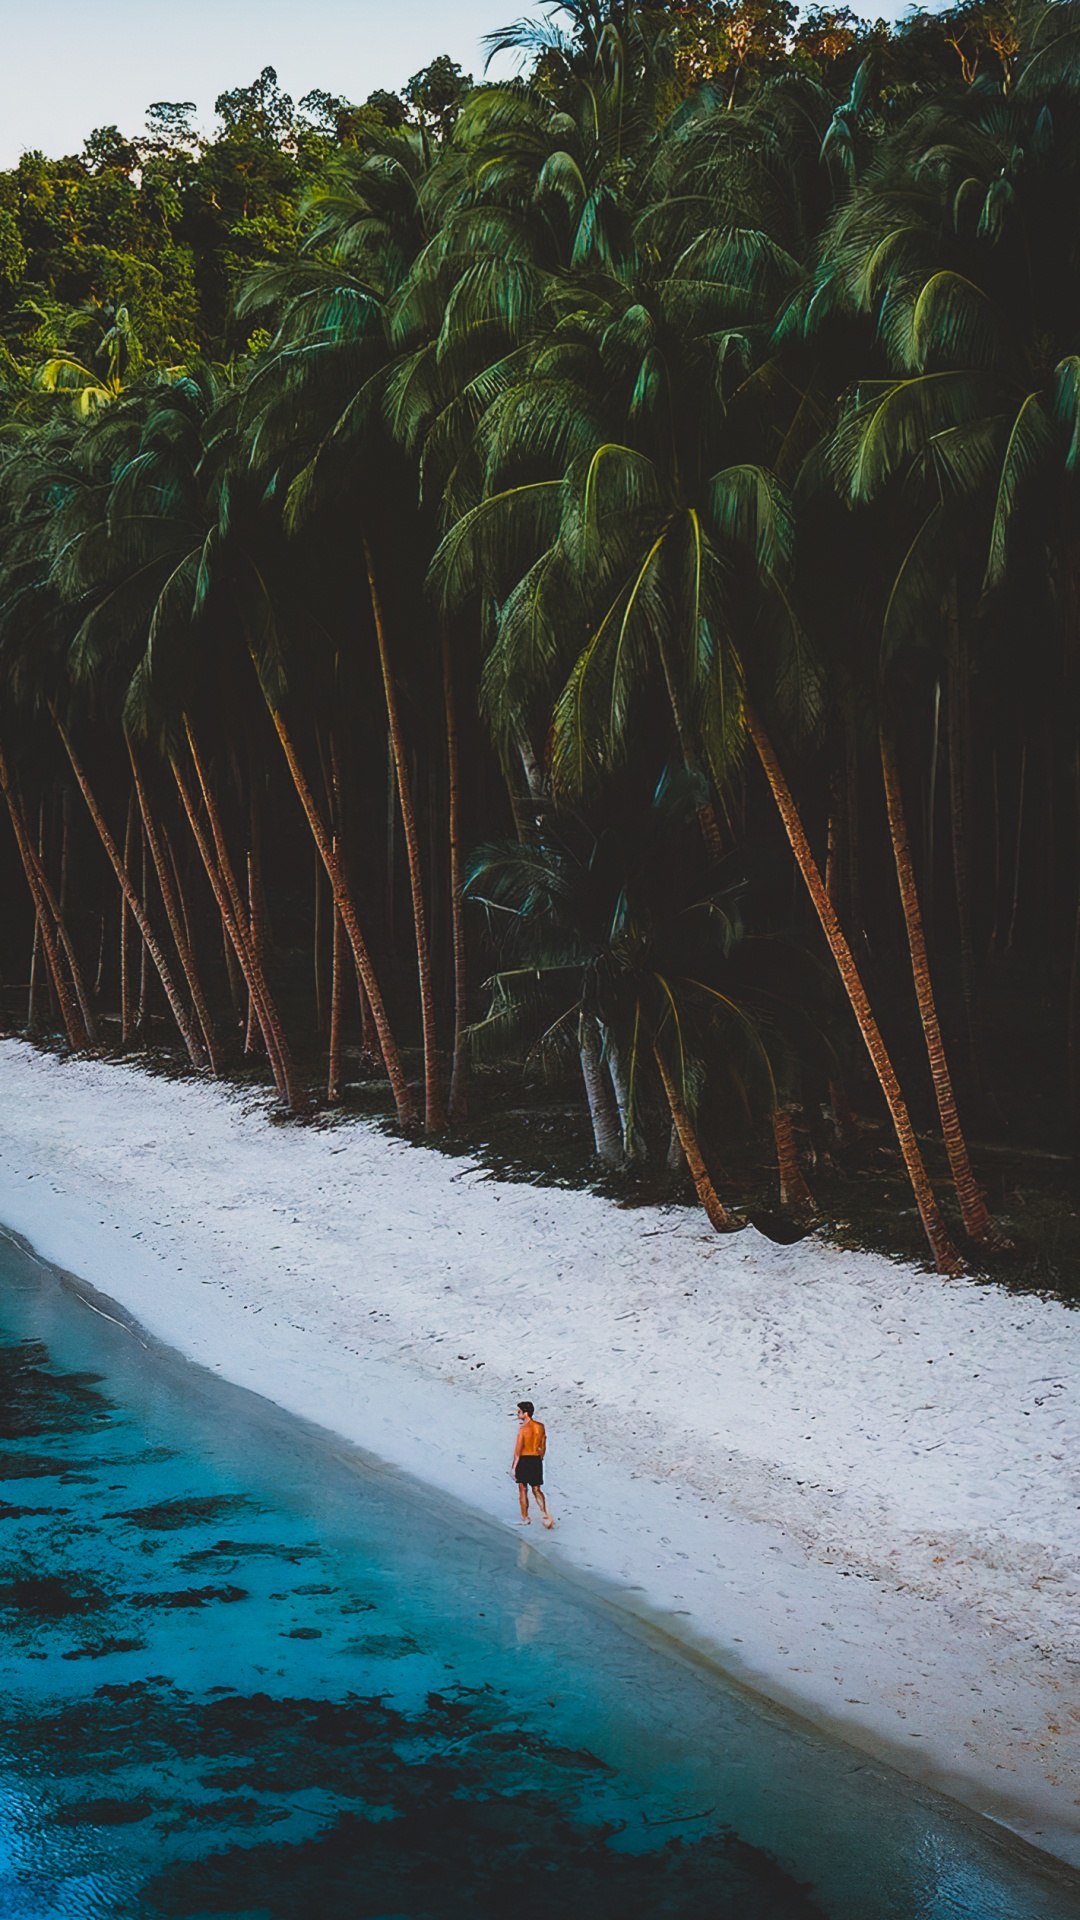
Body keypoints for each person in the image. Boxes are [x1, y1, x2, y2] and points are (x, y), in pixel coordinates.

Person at [511, 1400, 554, 1528]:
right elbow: (543, 1444)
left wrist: (514, 1467)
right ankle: (545, 1515)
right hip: (536, 1459)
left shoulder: (523, 1429)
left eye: (519, 1411)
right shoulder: (540, 1426)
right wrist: (540, 1458)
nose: (517, 1414)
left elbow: (518, 1450)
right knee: (536, 1488)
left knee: (523, 1489)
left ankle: (525, 1518)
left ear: (525, 1413)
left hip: (524, 1459)